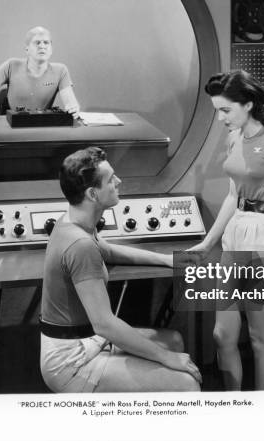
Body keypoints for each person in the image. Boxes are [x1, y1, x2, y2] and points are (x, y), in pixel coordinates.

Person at [40, 147, 201, 393]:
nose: (119, 181)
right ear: (93, 194)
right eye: (111, 179)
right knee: (187, 385)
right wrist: (164, 358)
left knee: (175, 341)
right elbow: (105, 324)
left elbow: (106, 249)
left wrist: (166, 260)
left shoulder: (75, 221)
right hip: (71, 361)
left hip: (88, 340)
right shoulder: (80, 245)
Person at [188, 70, 264, 390]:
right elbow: (231, 195)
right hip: (235, 232)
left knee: (259, 338)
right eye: (218, 111)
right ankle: (234, 405)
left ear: (248, 104)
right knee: (222, 334)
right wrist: (207, 241)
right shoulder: (234, 136)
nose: (221, 118)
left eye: (226, 110)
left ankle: (262, 415)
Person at [0, 26, 80, 119]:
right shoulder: (11, 65)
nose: (42, 46)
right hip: (12, 127)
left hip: (41, 127)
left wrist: (73, 108)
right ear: (27, 49)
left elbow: (71, 103)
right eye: (37, 43)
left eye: (46, 43)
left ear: (51, 49)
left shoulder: (61, 70)